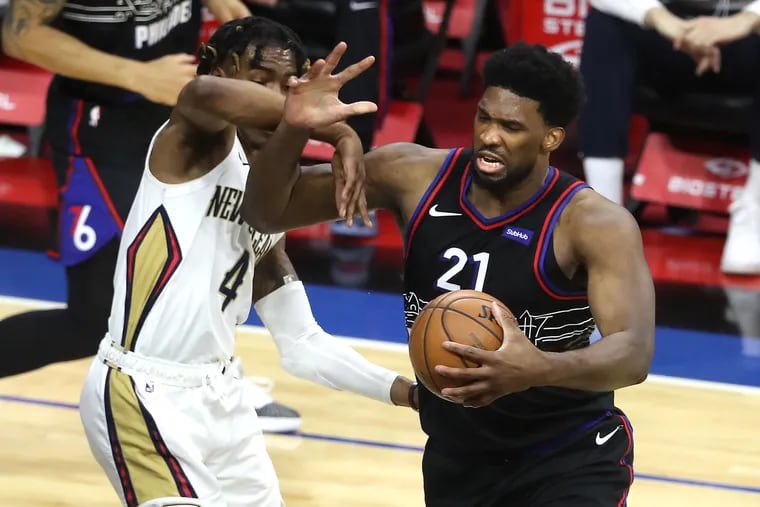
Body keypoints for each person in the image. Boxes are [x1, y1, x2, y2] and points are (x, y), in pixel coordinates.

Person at [245, 42, 656, 506]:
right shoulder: (413, 175)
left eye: (511, 127)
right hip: (458, 458)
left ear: (551, 139)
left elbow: (633, 353)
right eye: (485, 118)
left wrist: (537, 368)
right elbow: (266, 211)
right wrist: (293, 129)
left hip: (568, 453)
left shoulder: (593, 222)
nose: (490, 137)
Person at [78, 16, 416, 507]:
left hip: (224, 403)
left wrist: (407, 393)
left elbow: (303, 344)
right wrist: (340, 132)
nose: (283, 100)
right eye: (262, 83)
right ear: (218, 68)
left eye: (291, 85)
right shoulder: (195, 141)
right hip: (142, 394)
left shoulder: (269, 198)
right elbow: (204, 95)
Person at [0, 0, 303, 430]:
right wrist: (136, 74)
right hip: (102, 121)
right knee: (92, 317)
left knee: (204, 254)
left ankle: (216, 384)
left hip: (184, 105)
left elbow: (237, 19)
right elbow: (19, 34)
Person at [578, 0, 760, 274]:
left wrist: (745, 21)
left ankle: (754, 213)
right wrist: (661, 19)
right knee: (604, 23)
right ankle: (606, 217)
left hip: (747, 39)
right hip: (670, 35)